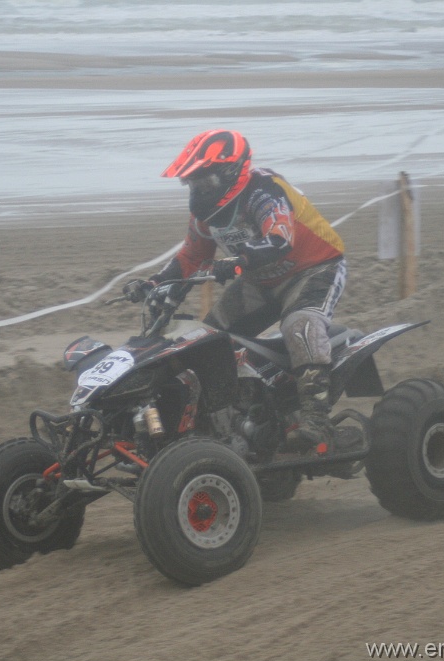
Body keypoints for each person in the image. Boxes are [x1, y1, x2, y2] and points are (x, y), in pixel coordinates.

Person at [123, 129, 347, 453]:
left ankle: (316, 419)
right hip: (260, 279)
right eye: (193, 183)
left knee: (300, 325)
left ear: (230, 172)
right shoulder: (206, 215)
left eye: (204, 181)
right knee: (207, 340)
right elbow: (190, 257)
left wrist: (236, 261)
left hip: (314, 268)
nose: (198, 190)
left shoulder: (264, 191)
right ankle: (228, 421)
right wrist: (155, 284)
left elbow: (280, 238)